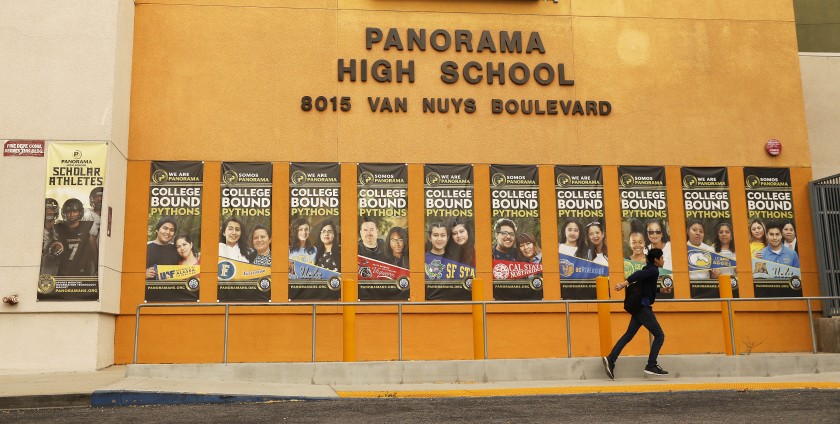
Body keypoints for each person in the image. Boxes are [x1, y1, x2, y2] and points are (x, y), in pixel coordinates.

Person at [603, 248, 672, 379]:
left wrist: (661, 290)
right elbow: (638, 275)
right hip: (643, 308)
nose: (664, 260)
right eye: (662, 258)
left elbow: (647, 288)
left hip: (639, 308)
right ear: (656, 260)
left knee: (628, 335)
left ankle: (611, 359)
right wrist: (624, 283)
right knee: (659, 335)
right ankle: (651, 365)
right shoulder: (652, 270)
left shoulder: (649, 269)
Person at [54, 198, 96, 276]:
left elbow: (94, 251)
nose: (71, 214)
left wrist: (97, 268)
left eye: (75, 211)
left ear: (80, 212)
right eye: (68, 212)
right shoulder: (58, 228)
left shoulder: (88, 227)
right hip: (63, 273)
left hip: (82, 273)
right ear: (64, 213)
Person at [41, 198, 63, 275]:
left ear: (56, 211)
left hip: (59, 263)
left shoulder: (61, 225)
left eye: (51, 209)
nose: (49, 212)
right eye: (46, 209)